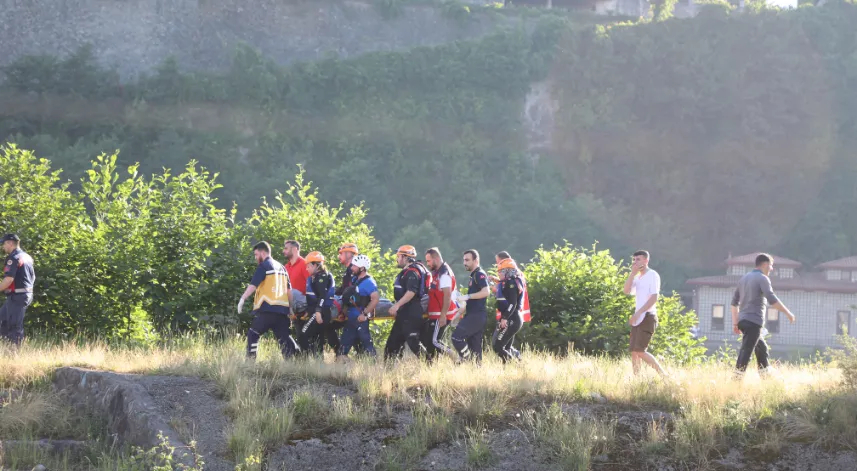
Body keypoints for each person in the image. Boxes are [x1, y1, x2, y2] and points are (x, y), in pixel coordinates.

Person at [731, 253, 796, 376]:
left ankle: (766, 375)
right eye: (771, 266)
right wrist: (788, 313)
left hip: (743, 321)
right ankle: (736, 379)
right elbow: (772, 299)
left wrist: (735, 322)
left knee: (761, 348)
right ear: (765, 264)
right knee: (746, 351)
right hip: (754, 321)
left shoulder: (743, 278)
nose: (771, 269)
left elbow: (734, 303)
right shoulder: (763, 278)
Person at [237, 241, 298, 359]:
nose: (255, 258)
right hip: (282, 310)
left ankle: (250, 361)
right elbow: (289, 291)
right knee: (283, 338)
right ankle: (292, 364)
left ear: (263, 252)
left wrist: (243, 299)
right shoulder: (282, 268)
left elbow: (253, 285)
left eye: (256, 254)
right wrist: (290, 308)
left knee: (253, 333)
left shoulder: (264, 265)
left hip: (268, 308)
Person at [622, 250, 667, 377]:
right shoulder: (637, 277)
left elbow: (654, 297)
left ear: (646, 261)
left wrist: (639, 313)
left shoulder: (652, 275)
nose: (635, 262)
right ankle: (637, 379)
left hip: (648, 316)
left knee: (640, 350)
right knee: (634, 352)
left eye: (639, 259)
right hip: (638, 317)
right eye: (634, 260)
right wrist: (632, 274)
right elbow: (626, 290)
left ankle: (664, 375)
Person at [385, 245, 429, 361]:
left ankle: (430, 365)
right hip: (403, 313)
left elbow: (411, 292)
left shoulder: (412, 272)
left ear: (405, 257)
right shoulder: (407, 271)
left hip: (411, 313)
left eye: (398, 256)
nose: (397, 259)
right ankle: (388, 372)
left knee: (414, 343)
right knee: (392, 344)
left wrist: (396, 305)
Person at [451, 250, 490, 363]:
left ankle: (465, 359)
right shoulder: (473, 276)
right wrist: (459, 313)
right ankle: (477, 372)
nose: (464, 263)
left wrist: (467, 296)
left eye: (467, 260)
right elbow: (472, 299)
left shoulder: (479, 274)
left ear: (476, 261)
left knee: (456, 337)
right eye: (463, 260)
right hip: (474, 315)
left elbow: (486, 292)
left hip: (476, 316)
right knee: (475, 349)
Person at [491, 252, 531, 361]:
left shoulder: (511, 283)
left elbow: (512, 303)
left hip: (512, 318)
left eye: (501, 271)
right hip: (513, 317)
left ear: (507, 271)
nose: (499, 274)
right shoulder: (510, 281)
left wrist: (504, 318)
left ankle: (515, 364)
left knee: (497, 346)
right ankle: (511, 367)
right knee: (506, 347)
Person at [421, 247, 457, 362]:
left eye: (429, 261)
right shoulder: (437, 272)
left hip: (440, 314)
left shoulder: (444, 274)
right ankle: (432, 366)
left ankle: (455, 357)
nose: (427, 264)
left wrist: (443, 315)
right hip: (435, 314)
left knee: (434, 341)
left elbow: (447, 295)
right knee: (429, 342)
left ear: (436, 259)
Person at [339, 254, 378, 358]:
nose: (352, 268)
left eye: (354, 266)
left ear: (362, 268)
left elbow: (375, 299)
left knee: (367, 346)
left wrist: (364, 314)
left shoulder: (369, 282)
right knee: (343, 348)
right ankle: (340, 369)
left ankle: (374, 367)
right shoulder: (355, 280)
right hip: (351, 318)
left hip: (361, 319)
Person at [328, 242, 364, 358]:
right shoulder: (349, 270)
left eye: (341, 253)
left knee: (354, 335)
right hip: (351, 308)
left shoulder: (353, 270)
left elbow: (350, 293)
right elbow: (344, 290)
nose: (339, 256)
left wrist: (344, 309)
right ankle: (342, 355)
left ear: (349, 254)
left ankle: (342, 355)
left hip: (354, 309)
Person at [298, 251, 335, 356]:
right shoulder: (316, 277)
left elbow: (322, 296)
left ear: (316, 265)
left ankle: (304, 361)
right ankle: (318, 365)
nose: (307, 268)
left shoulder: (322, 277)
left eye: (308, 266)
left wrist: (318, 312)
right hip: (317, 311)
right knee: (317, 339)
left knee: (303, 334)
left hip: (321, 312)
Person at [0, 234, 35, 346]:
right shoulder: (27, 257)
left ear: (10, 243)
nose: (3, 247)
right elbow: (33, 277)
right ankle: (5, 349)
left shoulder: (14, 258)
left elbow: (9, 279)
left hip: (17, 296)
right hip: (22, 294)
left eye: (4, 244)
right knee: (2, 320)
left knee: (14, 325)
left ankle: (14, 354)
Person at [284, 240, 309, 342]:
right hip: (293, 309)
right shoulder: (286, 267)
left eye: (286, 248)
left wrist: (310, 308)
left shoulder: (305, 264)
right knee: (299, 335)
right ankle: (302, 356)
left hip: (305, 307)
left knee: (307, 336)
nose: (283, 251)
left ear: (294, 249)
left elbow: (311, 286)